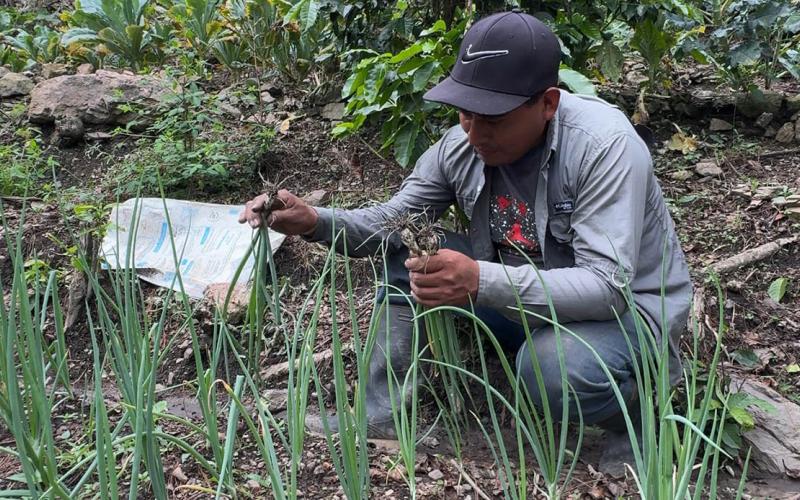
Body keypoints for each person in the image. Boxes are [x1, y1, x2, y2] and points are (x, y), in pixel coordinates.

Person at [239, 10, 692, 474]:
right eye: (465, 112)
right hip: (523, 301)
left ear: (548, 103)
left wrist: (477, 279)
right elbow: (394, 221)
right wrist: (314, 221)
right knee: (407, 252)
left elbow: (606, 287)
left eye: (492, 118)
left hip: (623, 315)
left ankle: (638, 418)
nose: (473, 131)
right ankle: (381, 416)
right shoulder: (465, 143)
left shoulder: (603, 146)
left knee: (552, 367)